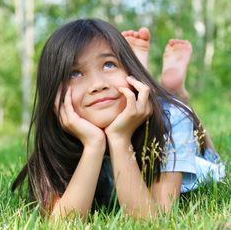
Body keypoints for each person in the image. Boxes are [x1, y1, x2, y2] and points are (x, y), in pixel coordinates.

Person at [12, 19, 224, 219]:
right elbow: (64, 224)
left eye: (109, 64)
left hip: (188, 160)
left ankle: (174, 94)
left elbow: (154, 221)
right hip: (131, 110)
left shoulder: (172, 120)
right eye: (75, 73)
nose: (98, 84)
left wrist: (120, 138)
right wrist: (93, 144)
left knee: (208, 155)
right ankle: (155, 87)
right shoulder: (56, 137)